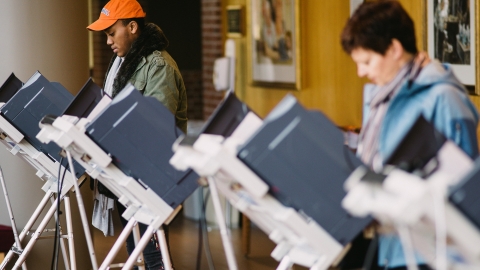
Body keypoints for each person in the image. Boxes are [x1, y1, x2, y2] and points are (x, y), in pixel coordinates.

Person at [341, 1, 478, 269]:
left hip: (423, 252)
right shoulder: (378, 96)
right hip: (381, 240)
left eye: (367, 61)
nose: (361, 73)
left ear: (394, 49)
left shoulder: (445, 99)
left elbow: (466, 190)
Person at [87, 0, 187, 269]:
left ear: (132, 27)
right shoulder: (122, 63)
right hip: (124, 170)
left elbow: (157, 126)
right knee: (137, 247)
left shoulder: (158, 67)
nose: (108, 41)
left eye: (111, 33)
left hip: (150, 175)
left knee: (154, 255)